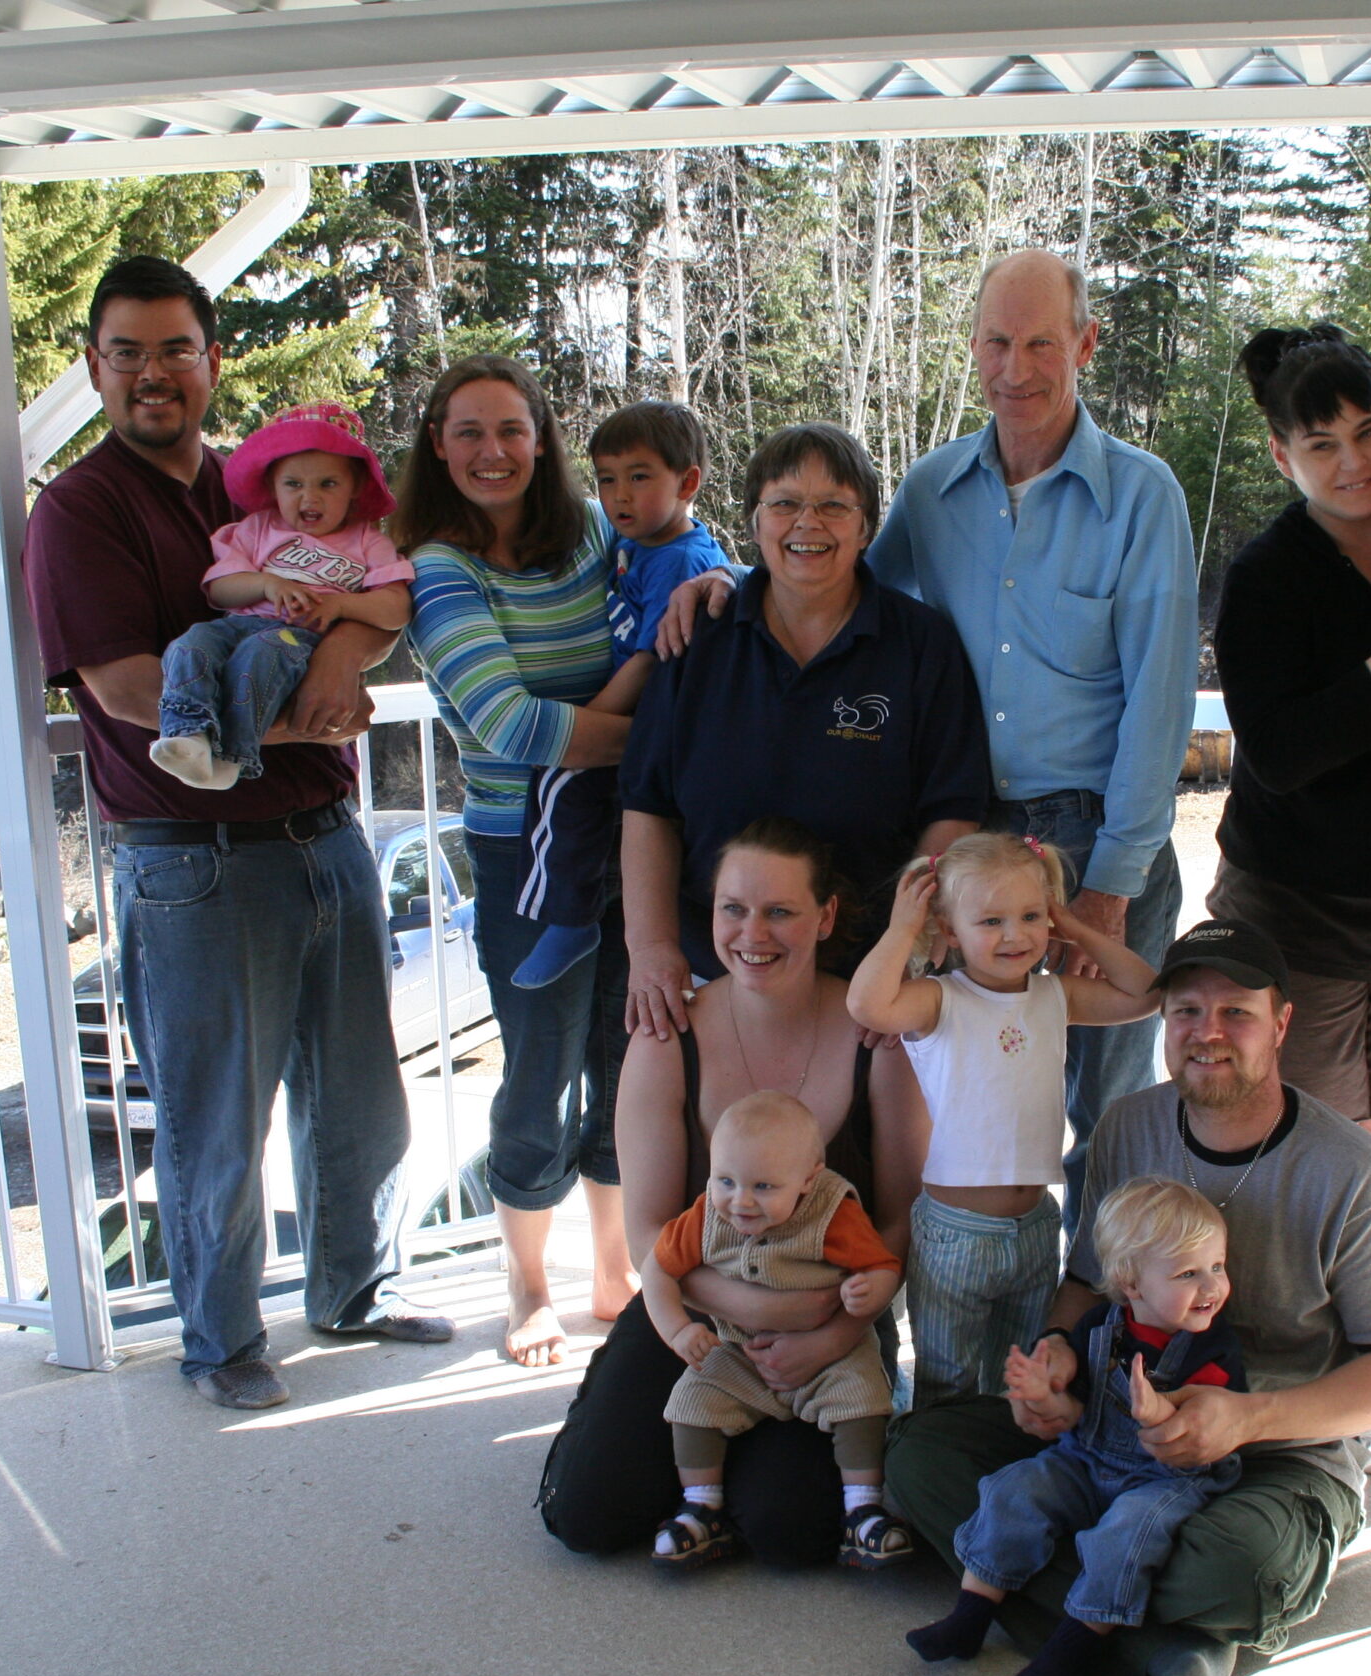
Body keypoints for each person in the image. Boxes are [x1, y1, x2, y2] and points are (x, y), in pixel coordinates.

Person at [658, 251, 1199, 1184]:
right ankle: (971, 1266)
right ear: (974, 347)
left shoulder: (1143, 498)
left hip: (1094, 835)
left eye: (1041, 344)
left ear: (1086, 345)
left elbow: (1161, 704)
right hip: (965, 840)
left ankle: (1098, 1279)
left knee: (1105, 1108)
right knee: (960, 1092)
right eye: (997, 342)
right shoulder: (933, 487)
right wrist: (725, 579)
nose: (1016, 368)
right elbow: (834, 573)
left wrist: (1110, 883)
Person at [22, 257, 447, 1412]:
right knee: (217, 1121)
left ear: (212, 361)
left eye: (175, 349)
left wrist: (347, 657)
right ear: (95, 368)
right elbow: (121, 688)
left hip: (327, 834)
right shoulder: (79, 511)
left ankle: (354, 1290)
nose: (152, 373)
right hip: (193, 860)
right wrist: (301, 714)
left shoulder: (265, 485)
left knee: (359, 1097)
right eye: (127, 353)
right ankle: (220, 1341)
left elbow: (369, 594)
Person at [889, 919, 1371, 1676]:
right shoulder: (1128, 1125)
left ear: (1281, 1023)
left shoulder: (1357, 1176)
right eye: (1186, 1010)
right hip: (1104, 1430)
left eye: (1236, 1012)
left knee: (1239, 1567)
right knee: (918, 1455)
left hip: (1276, 1453)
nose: (1206, 1032)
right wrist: (1055, 1361)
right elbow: (1088, 1284)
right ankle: (1171, 1644)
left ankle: (1077, 1605)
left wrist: (1248, 1417)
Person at [537, 818, 930, 1568]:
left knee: (792, 1532)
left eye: (780, 911)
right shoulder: (669, 1032)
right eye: (733, 909)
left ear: (826, 917)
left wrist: (834, 1331)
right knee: (590, 1514)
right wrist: (752, 1307)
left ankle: (738, 1471)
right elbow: (649, 1229)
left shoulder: (876, 1036)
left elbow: (902, 1216)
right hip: (693, 1315)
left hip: (834, 1330)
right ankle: (699, 1459)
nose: (754, 933)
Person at [400, 353, 633, 1369]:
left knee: (629, 1054)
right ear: (438, 446)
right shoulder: (436, 568)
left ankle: (614, 1271)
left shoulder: (590, 532)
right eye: (469, 432)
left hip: (631, 833)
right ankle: (529, 1285)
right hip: (520, 847)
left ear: (541, 438)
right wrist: (658, 737)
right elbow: (507, 724)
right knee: (540, 1066)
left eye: (510, 429)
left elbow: (673, 584)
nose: (491, 451)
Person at [1206, 325, 1371, 1181]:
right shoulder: (1266, 576)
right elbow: (1277, 754)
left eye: (1368, 431)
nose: (1354, 462)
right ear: (1283, 457)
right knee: (1299, 1152)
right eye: (1322, 445)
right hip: (1294, 918)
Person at [618, 421, 988, 1034]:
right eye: (784, 503)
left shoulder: (923, 645)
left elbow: (951, 813)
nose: (807, 523)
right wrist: (652, 949)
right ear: (754, 522)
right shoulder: (697, 636)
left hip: (870, 982)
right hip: (712, 974)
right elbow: (647, 805)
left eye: (834, 506)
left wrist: (909, 953)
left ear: (866, 528)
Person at [907, 1177, 1245, 1676]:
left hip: (1167, 1478)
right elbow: (1077, 1415)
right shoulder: (1097, 1328)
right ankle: (969, 1617)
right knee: (1014, 1490)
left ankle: (1067, 1654)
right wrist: (1045, 1397)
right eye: (1189, 1273)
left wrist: (1159, 1411)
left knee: (1126, 1536)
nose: (1212, 1287)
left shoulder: (1213, 1347)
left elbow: (1206, 1427)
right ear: (1131, 1284)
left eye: (1217, 1267)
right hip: (1087, 1458)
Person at [847, 832, 1157, 1402]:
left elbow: (1147, 994)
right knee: (947, 1382)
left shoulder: (1055, 995)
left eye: (1031, 916)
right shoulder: (938, 998)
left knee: (1018, 1378)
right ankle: (939, 1454)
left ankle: (1004, 1452)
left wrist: (1077, 926)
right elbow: (867, 1005)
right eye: (991, 921)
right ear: (949, 929)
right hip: (955, 1232)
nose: (1015, 935)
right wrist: (902, 930)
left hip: (1035, 1225)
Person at [640, 1088, 911, 1570]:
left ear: (809, 1178)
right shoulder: (706, 1215)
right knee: (691, 1401)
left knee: (863, 1398)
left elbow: (883, 1265)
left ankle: (864, 1509)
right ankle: (701, 1506)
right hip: (739, 1350)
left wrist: (870, 1290)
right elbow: (657, 1268)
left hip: (830, 1352)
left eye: (763, 1187)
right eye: (725, 1180)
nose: (740, 1200)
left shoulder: (832, 1212)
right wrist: (678, 1330)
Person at [511, 400, 730, 990]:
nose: (619, 496)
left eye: (639, 477)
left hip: (667, 714)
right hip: (653, 714)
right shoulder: (643, 546)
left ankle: (567, 918)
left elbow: (649, 658)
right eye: (606, 480)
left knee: (561, 777)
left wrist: (590, 721)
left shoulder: (680, 559)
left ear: (687, 483)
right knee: (587, 800)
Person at [151, 401, 413, 790]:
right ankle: (188, 734)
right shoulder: (256, 529)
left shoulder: (367, 541)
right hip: (238, 624)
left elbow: (396, 609)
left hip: (300, 637)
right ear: (273, 485)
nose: (310, 498)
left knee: (262, 653)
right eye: (293, 484)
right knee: (191, 643)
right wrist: (266, 584)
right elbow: (219, 588)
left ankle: (232, 756)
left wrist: (342, 604)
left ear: (356, 487)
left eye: (328, 484)